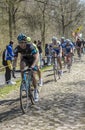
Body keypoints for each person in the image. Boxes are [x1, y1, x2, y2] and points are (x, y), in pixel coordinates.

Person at [13, 33, 39, 102]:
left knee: (33, 74)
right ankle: (24, 81)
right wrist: (14, 68)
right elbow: (15, 59)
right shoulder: (17, 48)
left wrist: (33, 66)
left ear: (25, 42)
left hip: (33, 60)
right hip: (25, 60)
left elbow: (36, 57)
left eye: (23, 43)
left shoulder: (30, 47)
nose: (21, 44)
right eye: (20, 43)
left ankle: (36, 90)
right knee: (21, 64)